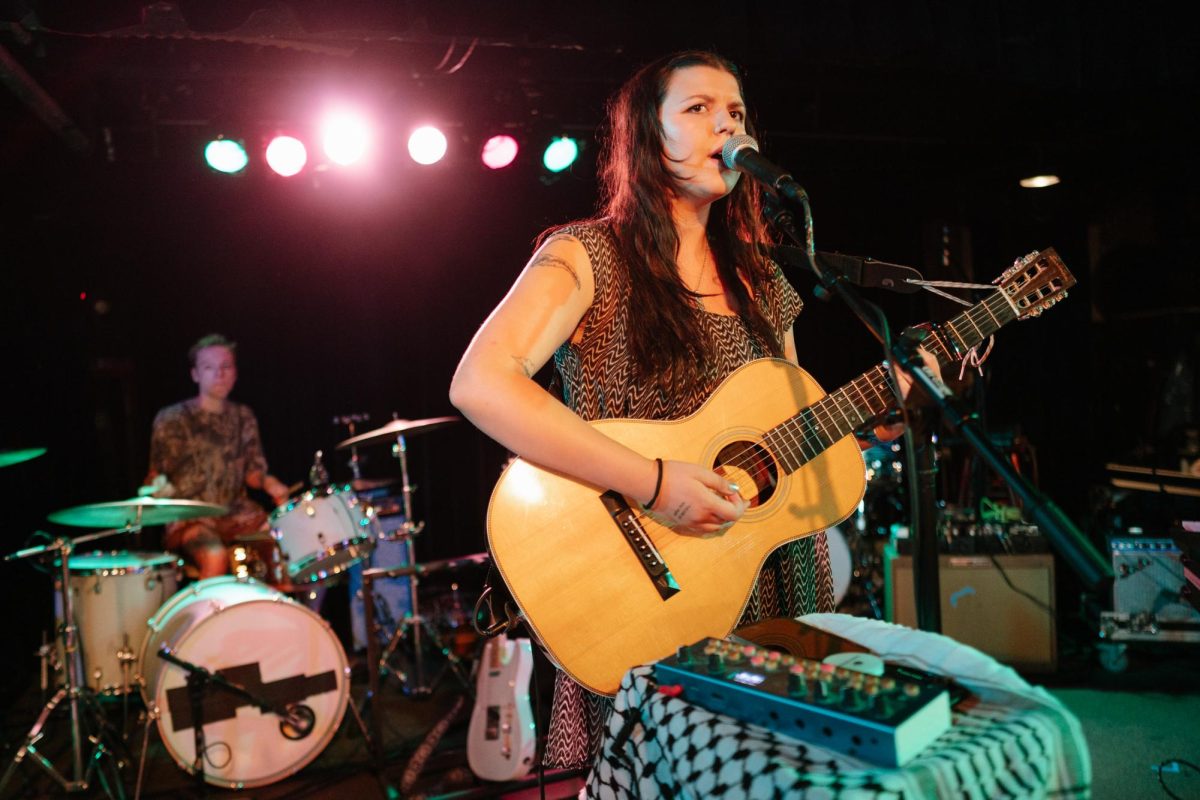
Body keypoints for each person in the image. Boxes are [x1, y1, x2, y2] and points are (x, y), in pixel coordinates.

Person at [449, 50, 935, 768]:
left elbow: (792, 439)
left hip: (764, 576)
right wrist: (654, 482)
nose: (726, 125)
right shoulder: (588, 255)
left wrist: (889, 395)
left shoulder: (764, 277)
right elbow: (480, 384)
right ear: (648, 136)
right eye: (699, 108)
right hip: (646, 580)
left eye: (736, 113)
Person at [143, 333, 290, 579]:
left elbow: (253, 472)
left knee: (291, 542)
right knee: (215, 556)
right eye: (209, 367)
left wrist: (269, 482)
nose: (219, 374)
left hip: (236, 513)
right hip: (191, 519)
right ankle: (209, 616)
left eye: (226, 367)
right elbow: (155, 475)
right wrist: (156, 488)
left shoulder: (243, 416)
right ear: (195, 375)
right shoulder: (171, 419)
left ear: (235, 372)